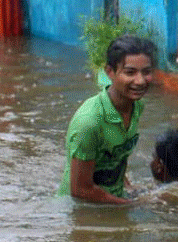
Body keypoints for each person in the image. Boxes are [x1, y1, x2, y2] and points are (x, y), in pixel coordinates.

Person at [60, 35, 156, 204]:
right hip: (81, 209)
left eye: (146, 72)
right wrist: (132, 205)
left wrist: (128, 187)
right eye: (130, 72)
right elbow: (80, 191)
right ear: (110, 72)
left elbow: (116, 155)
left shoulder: (137, 105)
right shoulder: (89, 123)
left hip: (113, 200)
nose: (140, 81)